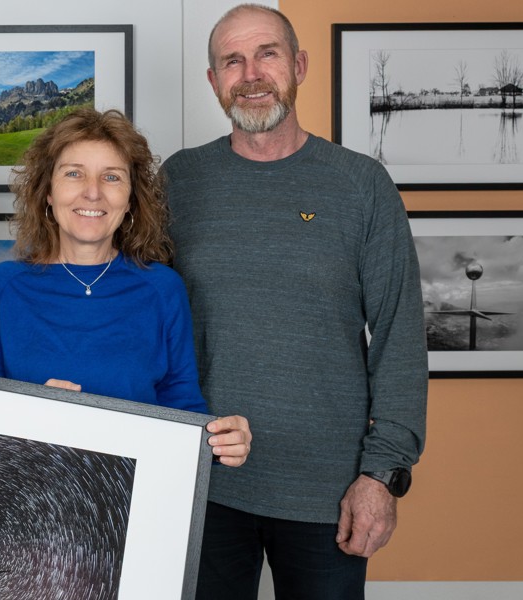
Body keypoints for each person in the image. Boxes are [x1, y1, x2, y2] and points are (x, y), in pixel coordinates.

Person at [161, 5, 427, 599]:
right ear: (213, 81)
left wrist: (379, 475)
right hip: (203, 481)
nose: (250, 73)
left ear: (299, 65)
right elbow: (139, 315)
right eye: (232, 60)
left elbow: (399, 338)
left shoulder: (361, 185)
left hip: (326, 490)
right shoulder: (179, 180)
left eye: (267, 54)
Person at [0, 107, 251, 465]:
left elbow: (184, 415)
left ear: (130, 199)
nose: (92, 193)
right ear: (48, 193)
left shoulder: (163, 289)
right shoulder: (2, 287)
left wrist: (222, 442)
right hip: (23, 503)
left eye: (111, 177)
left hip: (135, 507)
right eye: (74, 174)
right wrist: (29, 413)